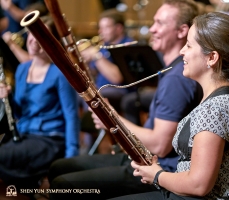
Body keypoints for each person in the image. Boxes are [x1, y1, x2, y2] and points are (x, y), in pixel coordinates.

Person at [48, 0, 202, 199]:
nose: (151, 29)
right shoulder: (170, 70)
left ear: (182, 31)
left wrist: (111, 117)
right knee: (60, 168)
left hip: (162, 170)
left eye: (160, 23)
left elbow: (159, 145)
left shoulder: (176, 79)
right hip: (149, 160)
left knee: (63, 184)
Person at [109, 12, 229, 200]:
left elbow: (199, 185)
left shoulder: (216, 109)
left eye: (189, 45)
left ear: (212, 58)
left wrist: (157, 175)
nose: (182, 51)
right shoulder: (222, 100)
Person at [0, 16, 80, 189]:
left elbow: (72, 116)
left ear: (51, 43)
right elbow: (19, 113)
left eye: (40, 37)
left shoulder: (59, 74)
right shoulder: (22, 69)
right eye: (31, 35)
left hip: (49, 140)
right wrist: (7, 98)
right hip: (24, 134)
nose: (33, 42)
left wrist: (71, 158)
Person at [79, 8, 134, 112]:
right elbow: (95, 73)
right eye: (100, 28)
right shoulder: (104, 46)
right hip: (102, 86)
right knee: (78, 91)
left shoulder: (127, 46)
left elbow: (117, 78)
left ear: (118, 28)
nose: (100, 32)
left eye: (106, 27)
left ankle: (94, 127)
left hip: (121, 90)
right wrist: (85, 62)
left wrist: (97, 56)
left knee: (93, 95)